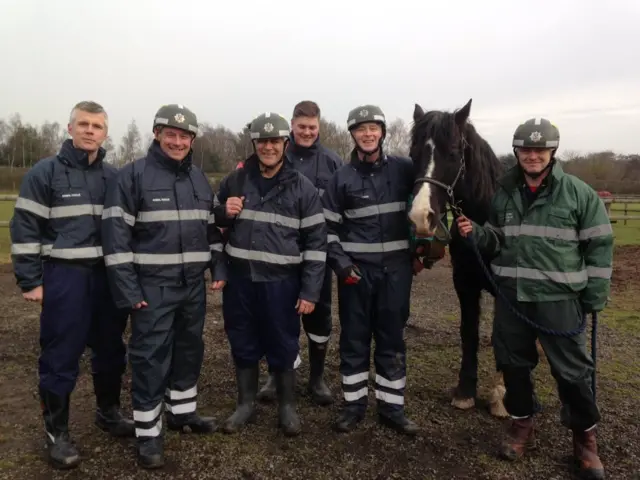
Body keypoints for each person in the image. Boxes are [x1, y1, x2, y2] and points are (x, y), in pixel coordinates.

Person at [455, 118, 612, 480]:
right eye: (526, 150)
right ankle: (521, 425)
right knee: (513, 366)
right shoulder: (504, 193)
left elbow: (600, 246)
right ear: (517, 152)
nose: (533, 156)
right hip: (512, 298)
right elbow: (497, 240)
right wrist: (477, 233)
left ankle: (585, 438)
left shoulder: (577, 193)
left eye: (540, 150)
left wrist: (593, 296)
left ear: (552, 152)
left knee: (572, 372)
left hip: (558, 299)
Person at [9, 101, 134, 470]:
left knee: (111, 349)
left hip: (107, 277)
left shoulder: (115, 177)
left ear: (105, 133)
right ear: (70, 128)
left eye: (97, 125)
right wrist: (31, 280)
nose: (90, 130)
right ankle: (57, 433)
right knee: (60, 355)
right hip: (66, 275)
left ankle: (108, 412)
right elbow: (25, 228)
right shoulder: (44, 173)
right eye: (84, 124)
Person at [101, 104, 226, 469]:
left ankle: (182, 413)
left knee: (189, 351)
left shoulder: (199, 180)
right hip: (151, 288)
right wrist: (128, 291)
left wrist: (218, 266)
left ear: (191, 140)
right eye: (170, 134)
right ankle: (149, 434)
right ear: (157, 134)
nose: (177, 141)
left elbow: (211, 230)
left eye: (184, 135)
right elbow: (115, 240)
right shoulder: (133, 177)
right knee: (150, 359)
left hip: (192, 287)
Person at [215, 112, 327, 436]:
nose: (268, 147)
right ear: (254, 144)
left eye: (274, 141)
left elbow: (317, 244)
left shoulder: (302, 188)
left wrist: (309, 291)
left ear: (285, 144)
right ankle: (245, 405)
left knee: (283, 343)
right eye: (262, 141)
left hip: (282, 284)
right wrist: (223, 212)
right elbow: (211, 224)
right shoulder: (236, 180)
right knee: (243, 341)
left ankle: (287, 407)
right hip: (240, 282)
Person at [322, 105, 418, 435]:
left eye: (373, 128)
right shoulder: (341, 178)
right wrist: (342, 265)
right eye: (360, 129)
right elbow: (328, 230)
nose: (367, 134)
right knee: (355, 340)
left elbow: (429, 201)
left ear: (382, 132)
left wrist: (424, 250)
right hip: (356, 276)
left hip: (396, 273)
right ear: (352, 135)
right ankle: (354, 406)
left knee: (392, 339)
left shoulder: (405, 169)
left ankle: (392, 408)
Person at [256, 100, 343, 406]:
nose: (306, 132)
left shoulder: (333, 163)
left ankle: (317, 378)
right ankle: (276, 374)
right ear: (292, 125)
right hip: (279, 255)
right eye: (301, 127)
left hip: (317, 256)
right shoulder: (275, 154)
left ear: (319, 127)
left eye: (312, 127)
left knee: (319, 319)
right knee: (276, 317)